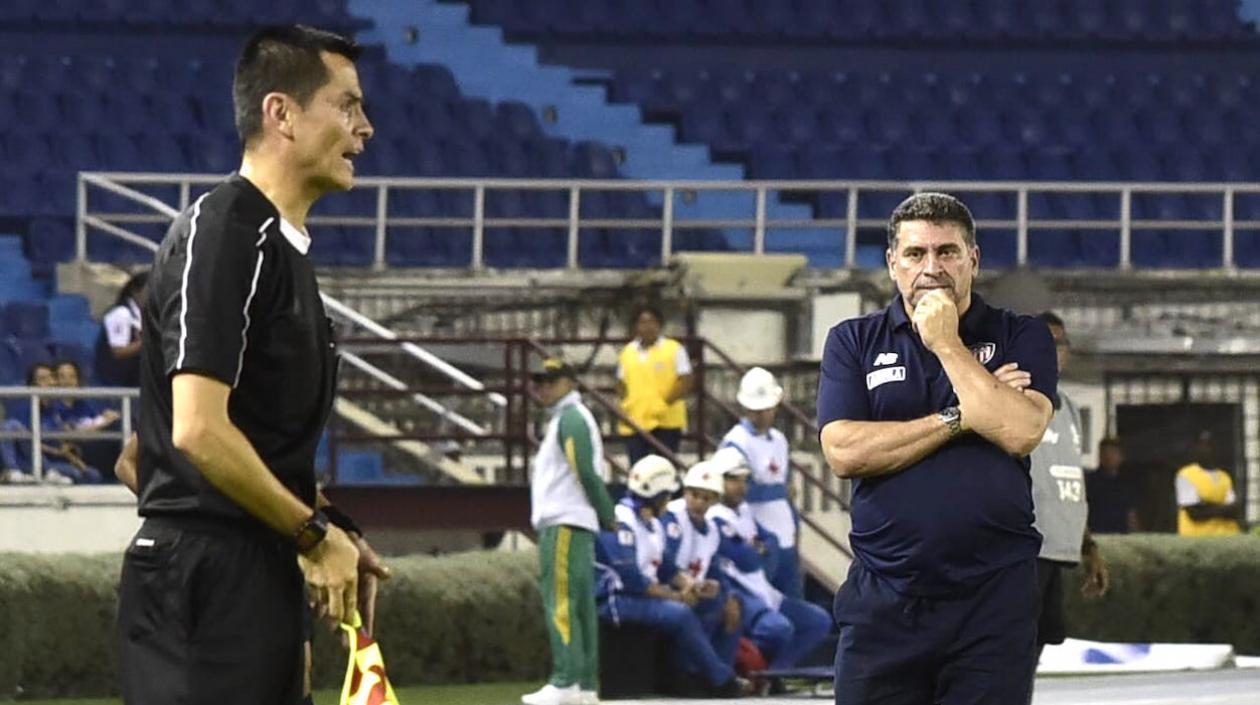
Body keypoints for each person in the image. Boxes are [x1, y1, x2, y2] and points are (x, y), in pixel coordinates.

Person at [116, 25, 386, 705]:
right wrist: (310, 534)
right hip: (207, 586)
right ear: (281, 114)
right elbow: (196, 433)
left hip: (251, 571)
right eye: (347, 106)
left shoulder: (281, 247)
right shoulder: (229, 230)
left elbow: (139, 453)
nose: (366, 128)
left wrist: (335, 531)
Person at [818, 192, 1057, 705]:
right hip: (885, 597)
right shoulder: (853, 341)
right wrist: (967, 413)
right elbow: (844, 451)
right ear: (892, 263)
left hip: (993, 598)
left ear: (973, 259)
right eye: (915, 254)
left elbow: (1019, 432)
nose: (932, 267)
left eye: (947, 252)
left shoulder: (1022, 335)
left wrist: (947, 343)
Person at [1004, 312, 1108, 693]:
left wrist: (1088, 546)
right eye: (1044, 342)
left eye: (1060, 343)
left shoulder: (1068, 409)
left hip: (1058, 547)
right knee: (1010, 647)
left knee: (1037, 643)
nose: (1053, 351)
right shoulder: (1010, 402)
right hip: (1023, 547)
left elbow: (1070, 481)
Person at [594, 455, 752, 698]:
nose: (669, 501)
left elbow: (667, 568)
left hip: (641, 596)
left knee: (721, 601)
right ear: (656, 495)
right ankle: (720, 679)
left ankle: (699, 675)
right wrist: (677, 597)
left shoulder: (653, 525)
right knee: (679, 613)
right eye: (666, 495)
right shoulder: (622, 523)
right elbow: (632, 580)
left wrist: (692, 585)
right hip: (616, 599)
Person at [523, 358, 616, 705]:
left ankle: (565, 680)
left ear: (569, 382)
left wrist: (607, 512)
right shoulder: (567, 419)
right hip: (573, 522)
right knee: (580, 607)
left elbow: (585, 471)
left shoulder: (571, 418)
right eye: (539, 382)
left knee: (560, 602)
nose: (543, 388)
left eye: (550, 381)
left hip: (563, 521)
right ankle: (585, 685)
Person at [708, 446, 832, 671]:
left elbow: (771, 541)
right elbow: (748, 559)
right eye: (733, 480)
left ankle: (776, 673)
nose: (741, 487)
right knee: (779, 629)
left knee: (818, 620)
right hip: (742, 595)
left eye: (744, 480)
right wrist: (759, 549)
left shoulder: (744, 510)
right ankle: (749, 668)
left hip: (765, 592)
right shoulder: (714, 517)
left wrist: (759, 549)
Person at [659, 459, 757, 698]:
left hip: (694, 590)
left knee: (732, 603)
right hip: (667, 587)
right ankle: (711, 676)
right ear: (685, 493)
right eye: (694, 495)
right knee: (693, 608)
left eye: (706, 497)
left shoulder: (711, 529)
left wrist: (723, 591)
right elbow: (662, 562)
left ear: (714, 500)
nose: (699, 502)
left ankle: (714, 675)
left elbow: (714, 568)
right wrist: (683, 586)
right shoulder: (672, 519)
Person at [719, 367, 801, 598]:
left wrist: (795, 526)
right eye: (756, 410)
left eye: (766, 409)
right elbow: (737, 491)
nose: (761, 415)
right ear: (745, 408)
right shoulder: (735, 443)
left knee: (793, 600)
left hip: (785, 534)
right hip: (758, 538)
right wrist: (778, 490)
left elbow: (788, 491)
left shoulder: (779, 441)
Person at [616, 305, 693, 464]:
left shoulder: (674, 349)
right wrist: (627, 404)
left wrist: (664, 403)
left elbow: (685, 380)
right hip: (635, 421)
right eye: (643, 322)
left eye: (652, 322)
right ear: (636, 326)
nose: (647, 327)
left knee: (665, 468)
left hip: (666, 421)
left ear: (659, 325)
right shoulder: (628, 351)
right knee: (638, 468)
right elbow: (620, 383)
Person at [29, 362, 103, 484]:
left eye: (72, 376)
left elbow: (65, 445)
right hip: (42, 460)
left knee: (94, 474)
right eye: (62, 377)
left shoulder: (83, 405)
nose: (68, 382)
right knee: (79, 474)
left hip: (70, 457)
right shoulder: (42, 408)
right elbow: (27, 441)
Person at [1175, 430, 1242, 536]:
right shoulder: (1186, 475)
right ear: (1195, 447)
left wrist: (1205, 505)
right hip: (1199, 541)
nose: (1208, 449)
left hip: (1228, 539)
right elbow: (1195, 514)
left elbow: (1234, 511)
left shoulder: (1225, 477)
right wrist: (1223, 508)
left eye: (1211, 444)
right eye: (1203, 444)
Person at [94, 270, 147, 387]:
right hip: (115, 382)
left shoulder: (144, 315)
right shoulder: (121, 313)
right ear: (135, 292)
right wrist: (149, 341)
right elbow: (118, 351)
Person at [1086, 438, 1140, 534]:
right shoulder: (1090, 482)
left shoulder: (1125, 484)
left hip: (1121, 537)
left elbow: (1131, 514)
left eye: (1113, 453)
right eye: (1104, 453)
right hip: (1096, 536)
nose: (1108, 457)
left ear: (1121, 457)